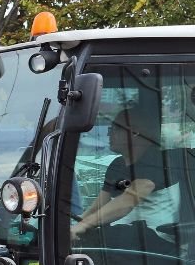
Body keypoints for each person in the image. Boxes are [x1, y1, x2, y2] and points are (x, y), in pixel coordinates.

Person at [71, 107, 177, 251]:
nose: (109, 134)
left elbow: (129, 200)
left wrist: (84, 226)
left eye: (115, 129)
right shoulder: (117, 164)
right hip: (124, 239)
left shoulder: (158, 160)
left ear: (134, 133)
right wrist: (74, 225)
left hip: (158, 243)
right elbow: (98, 206)